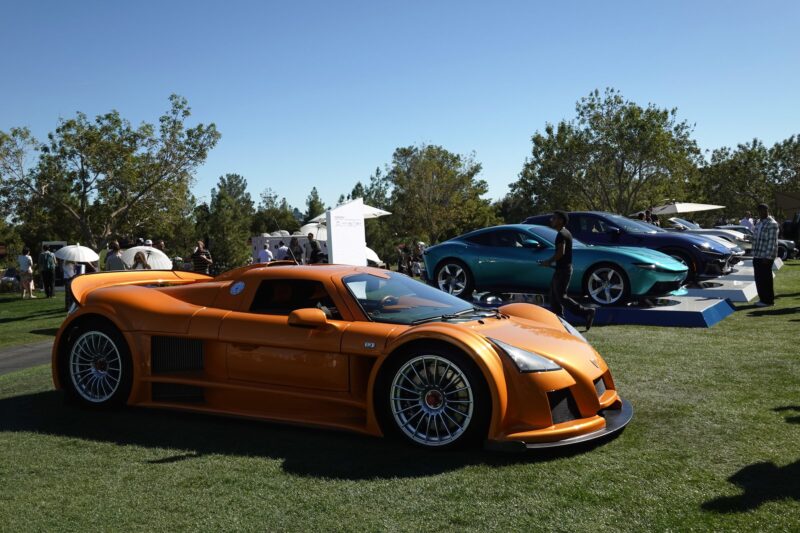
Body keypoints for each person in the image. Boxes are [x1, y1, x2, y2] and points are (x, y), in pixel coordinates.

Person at [537, 211, 596, 330]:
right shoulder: (565, 232)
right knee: (554, 297)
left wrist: (548, 261)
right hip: (562, 269)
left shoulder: (561, 235)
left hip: (563, 270)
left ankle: (586, 312)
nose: (551, 220)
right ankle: (559, 321)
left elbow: (561, 252)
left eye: (554, 218)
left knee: (561, 297)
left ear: (560, 221)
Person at [752, 203, 779, 307]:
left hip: (765, 256)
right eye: (759, 211)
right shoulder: (758, 223)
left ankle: (768, 301)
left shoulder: (772, 223)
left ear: (767, 211)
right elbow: (757, 238)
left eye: (763, 210)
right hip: (757, 255)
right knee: (759, 279)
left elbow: (772, 242)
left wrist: (767, 257)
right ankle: (762, 299)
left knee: (766, 279)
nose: (761, 213)